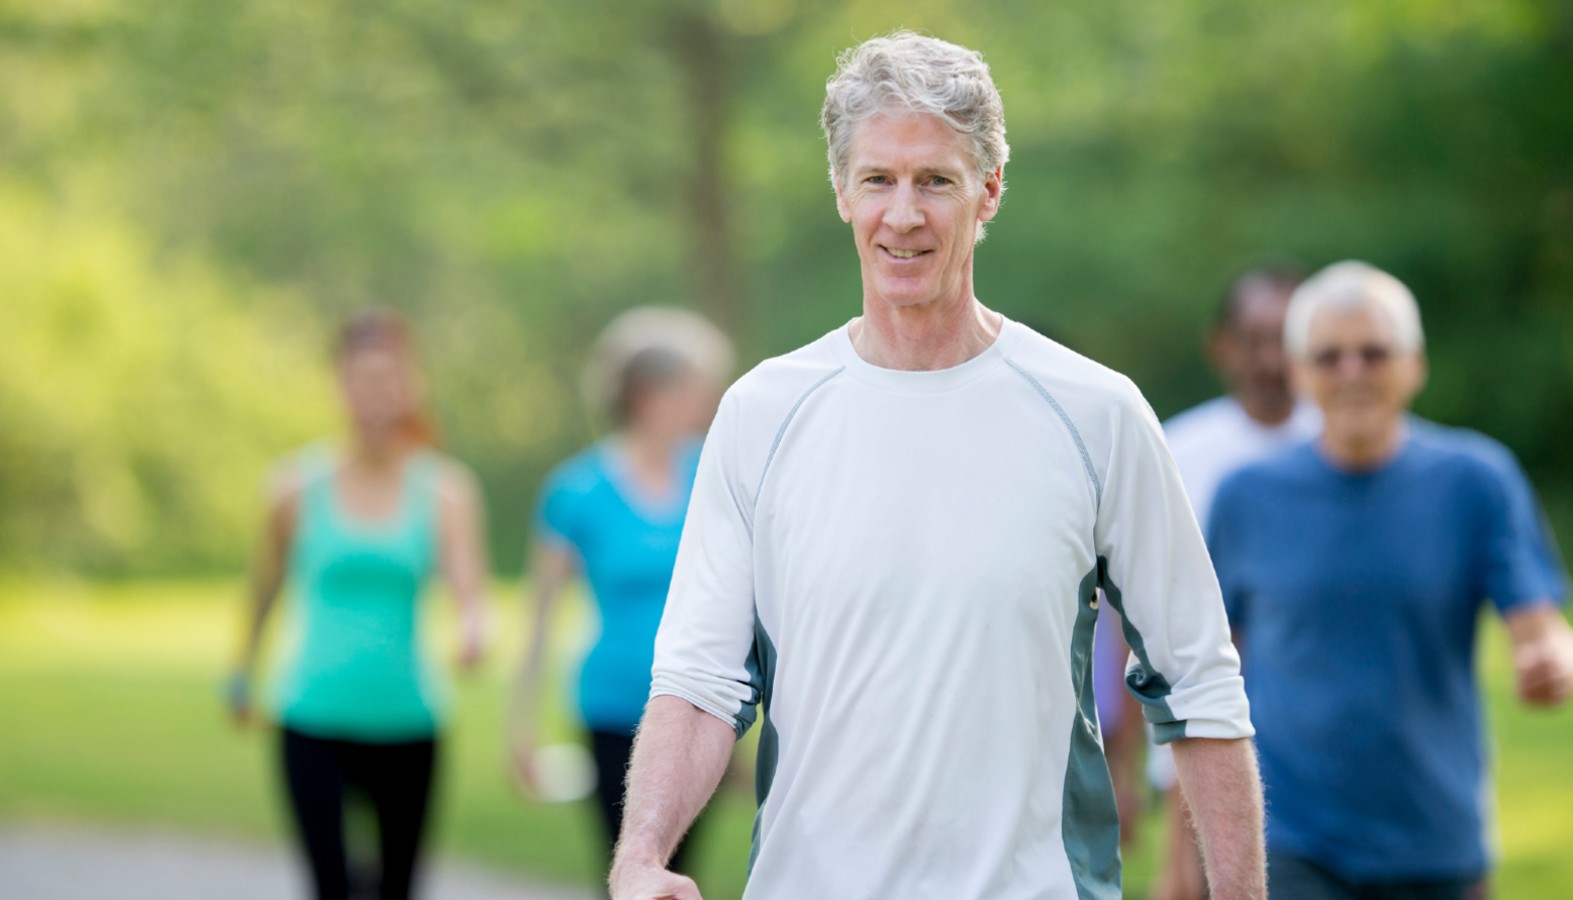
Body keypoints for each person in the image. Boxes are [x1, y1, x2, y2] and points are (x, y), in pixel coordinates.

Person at [608, 32, 1266, 900]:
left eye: (936, 181)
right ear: (841, 190)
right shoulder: (762, 413)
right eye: (878, 178)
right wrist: (641, 855)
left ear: (989, 191)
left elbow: (1199, 683)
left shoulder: (1095, 413)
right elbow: (699, 681)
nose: (904, 214)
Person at [1207, 261, 1573, 899]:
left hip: (1435, 839)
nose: (1352, 372)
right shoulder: (1249, 497)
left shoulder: (1476, 482)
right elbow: (1211, 668)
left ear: (1415, 365)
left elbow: (1545, 631)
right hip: (1292, 837)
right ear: (1298, 372)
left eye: (1374, 353)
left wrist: (1554, 662)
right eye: (1328, 357)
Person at [230, 308, 492, 900]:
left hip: (409, 722)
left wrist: (475, 630)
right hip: (311, 717)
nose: (376, 397)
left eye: (390, 381)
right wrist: (242, 673)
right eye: (362, 382)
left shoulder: (446, 490)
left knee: (397, 887)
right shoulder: (291, 487)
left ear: (410, 388)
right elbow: (263, 591)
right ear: (339, 387)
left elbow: (469, 589)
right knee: (331, 886)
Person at [508, 308, 733, 884]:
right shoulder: (578, 489)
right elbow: (539, 617)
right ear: (648, 395)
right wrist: (522, 728)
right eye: (694, 389)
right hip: (613, 708)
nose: (707, 402)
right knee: (632, 872)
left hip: (700, 708)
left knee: (684, 873)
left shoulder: (715, 473)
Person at [1147, 265, 1322, 900]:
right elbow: (1144, 620)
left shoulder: (1339, 445)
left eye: (1287, 338)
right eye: (1254, 339)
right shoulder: (1177, 450)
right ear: (1221, 346)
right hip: (1202, 736)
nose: (1272, 360)